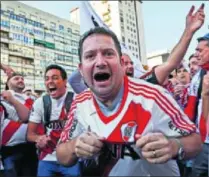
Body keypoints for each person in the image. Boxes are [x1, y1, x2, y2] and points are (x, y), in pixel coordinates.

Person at [56, 27, 202, 176]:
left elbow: (195, 141)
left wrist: (174, 146)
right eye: (90, 56)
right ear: (81, 70)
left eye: (108, 53)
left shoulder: (152, 97)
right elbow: (61, 154)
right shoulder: (79, 103)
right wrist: (74, 146)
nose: (100, 62)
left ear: (120, 63)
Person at [27, 64, 80, 177]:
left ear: (65, 81)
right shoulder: (40, 102)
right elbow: (30, 135)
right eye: (47, 78)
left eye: (55, 78)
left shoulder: (78, 100)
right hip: (47, 157)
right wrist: (39, 139)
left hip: (72, 157)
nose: (50, 81)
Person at [0, 72, 38, 177]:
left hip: (31, 148)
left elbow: (34, 118)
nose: (20, 80)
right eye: (16, 79)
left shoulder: (31, 98)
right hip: (10, 150)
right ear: (8, 83)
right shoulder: (3, 97)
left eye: (22, 78)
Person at [184, 33, 209, 176]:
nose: (196, 54)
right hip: (203, 143)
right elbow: (190, 109)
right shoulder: (198, 77)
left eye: (200, 50)